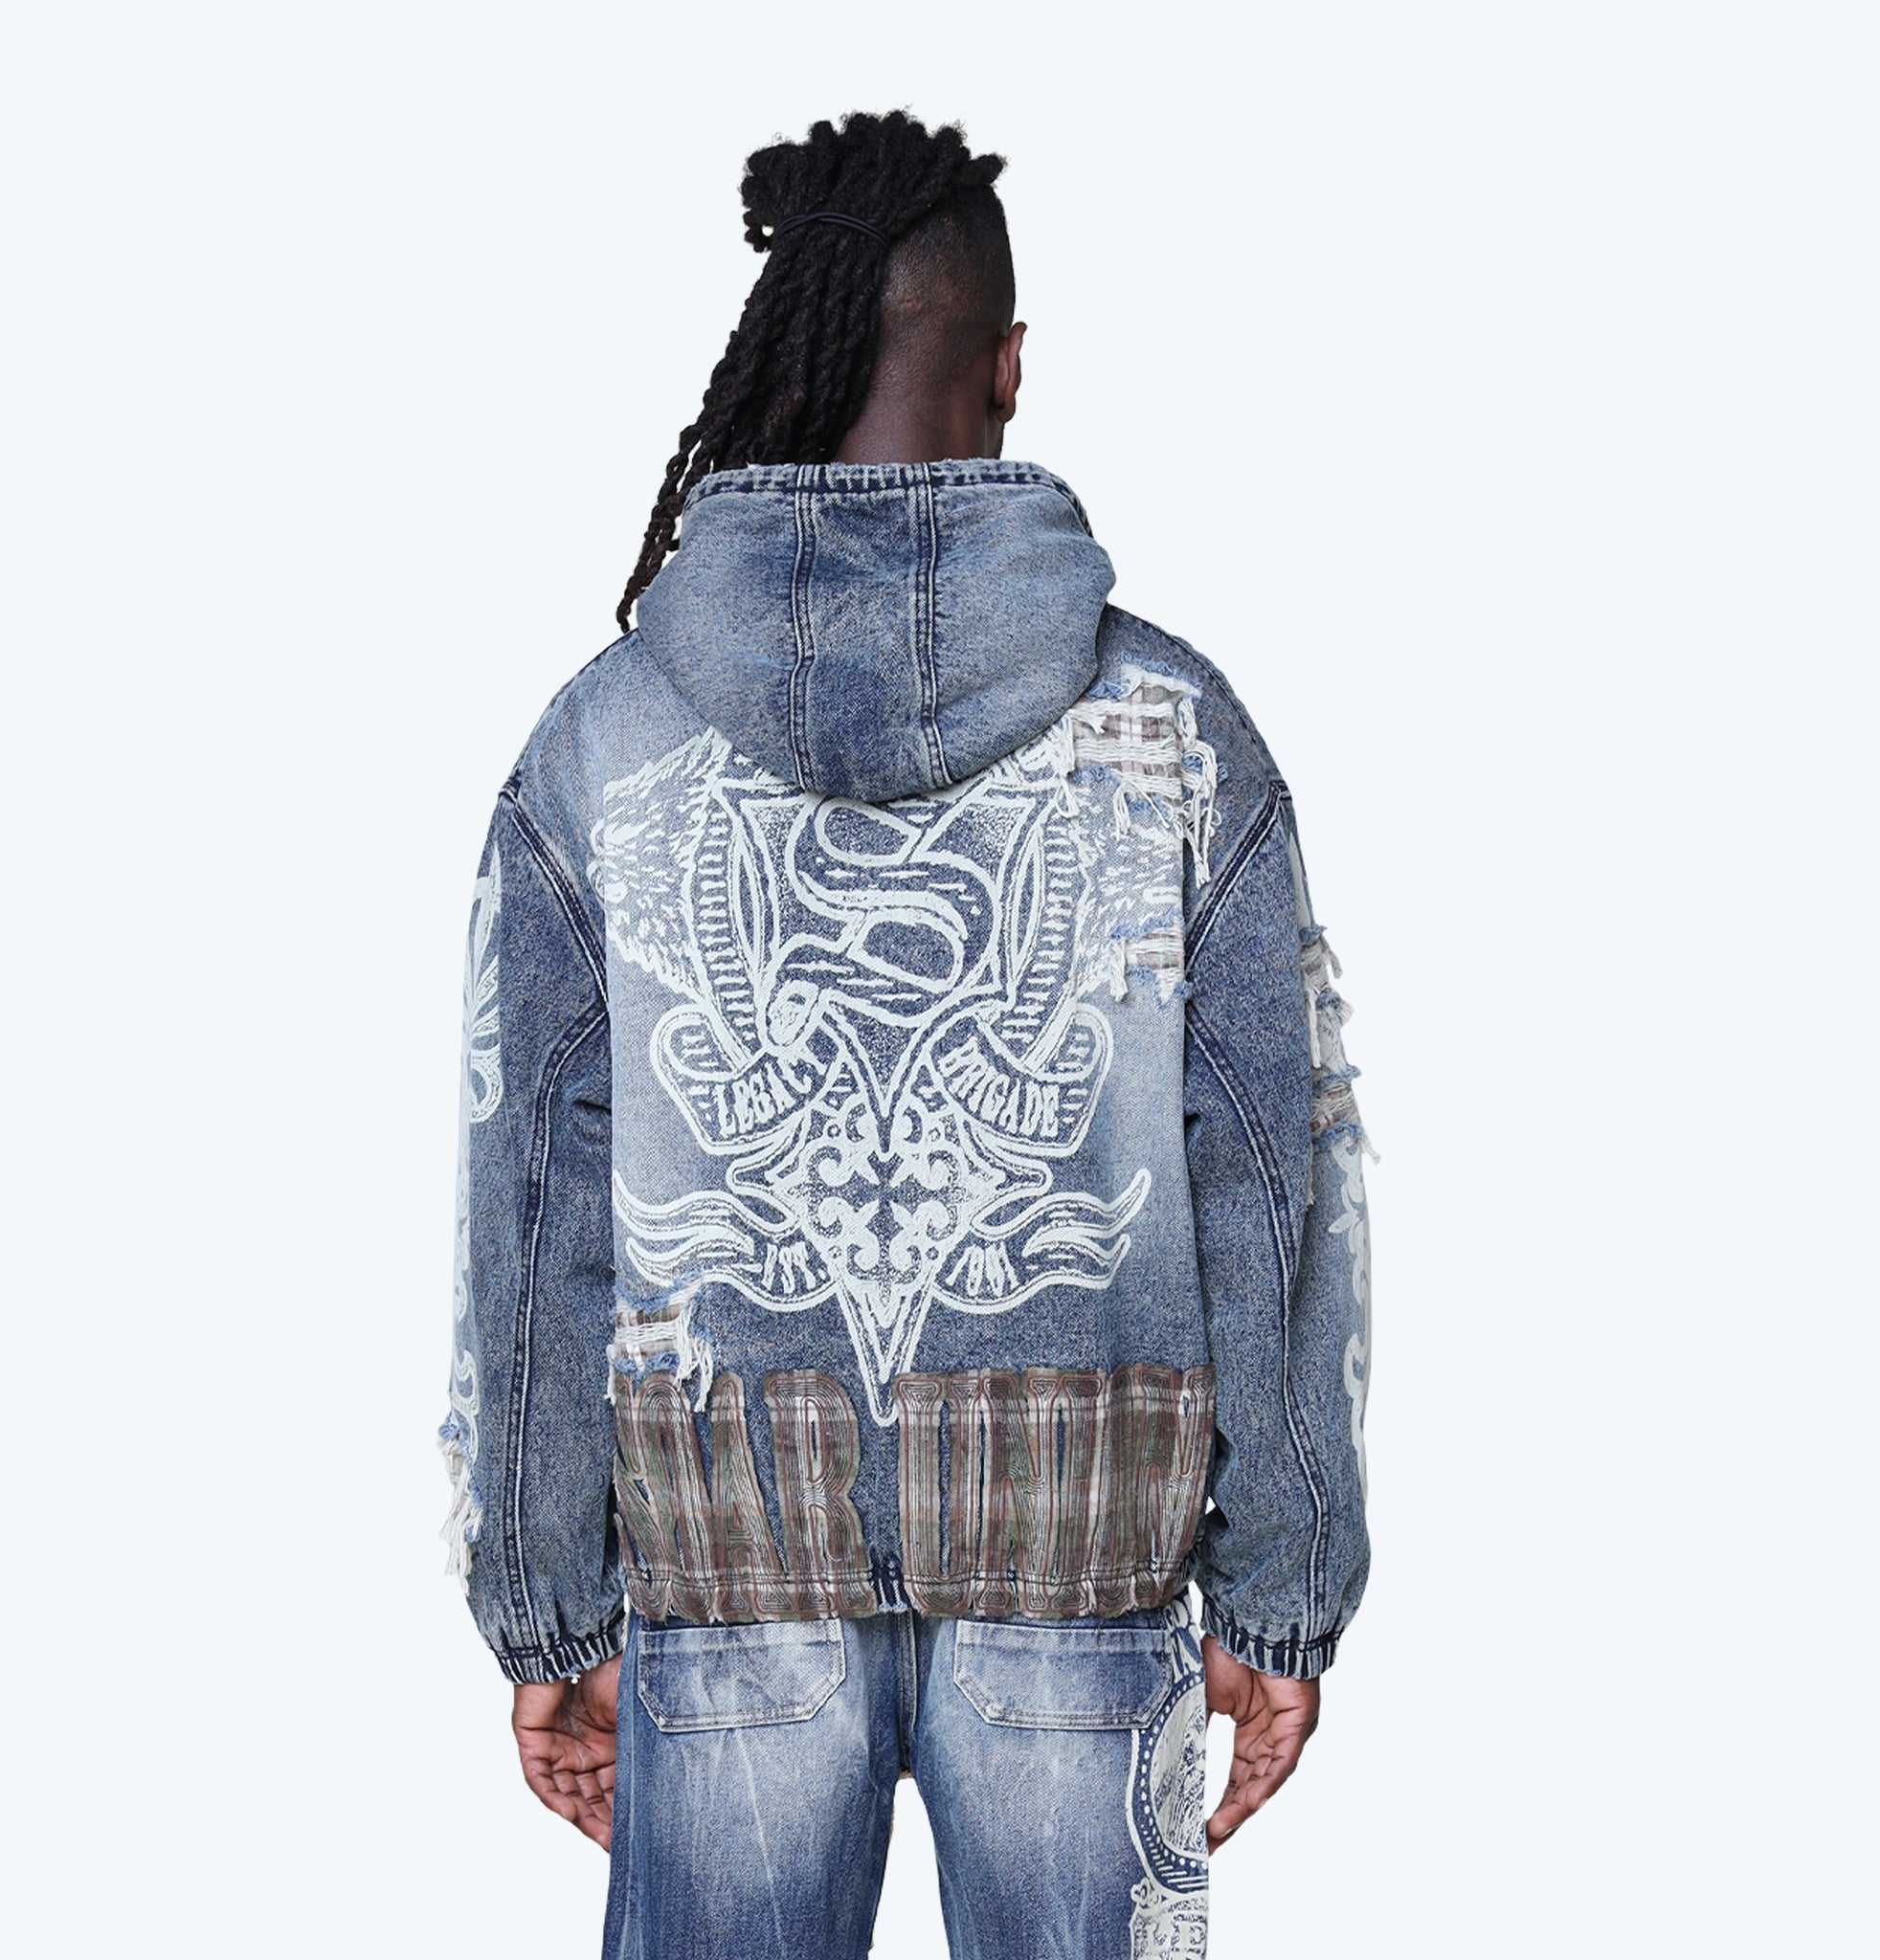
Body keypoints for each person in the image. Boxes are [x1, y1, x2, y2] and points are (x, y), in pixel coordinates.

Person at [438, 109, 1372, 1960]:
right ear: (1009, 364)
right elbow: (1279, 1175)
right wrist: (1280, 1589)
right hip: (1086, 1572)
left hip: (724, 1576)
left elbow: (529, 1197)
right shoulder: (1174, 731)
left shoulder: (604, 742)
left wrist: (544, 1606)